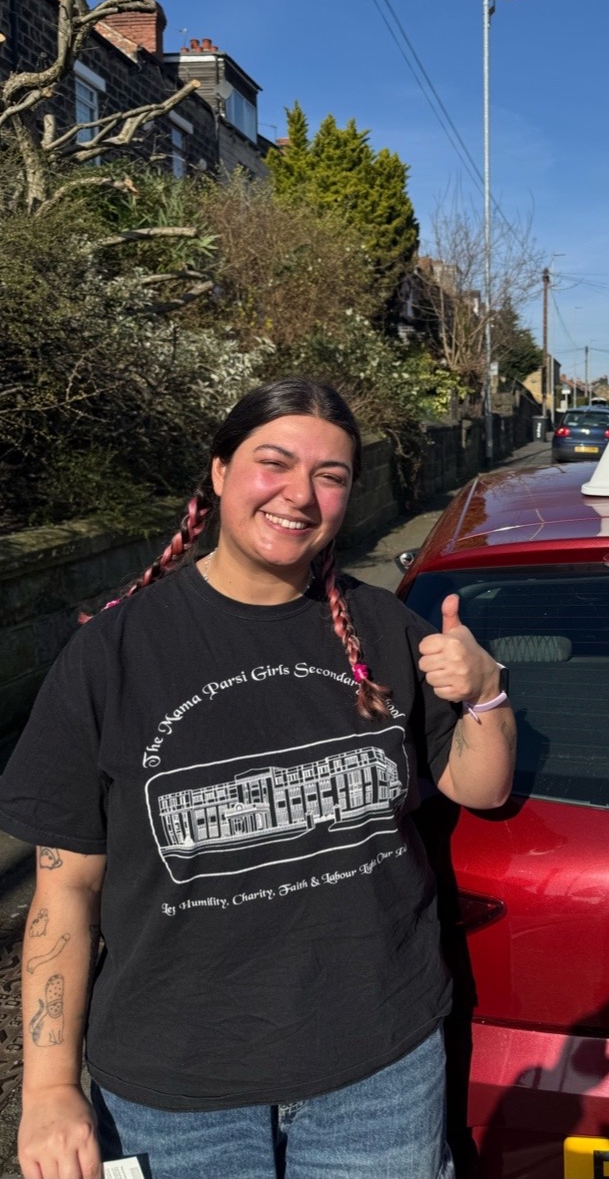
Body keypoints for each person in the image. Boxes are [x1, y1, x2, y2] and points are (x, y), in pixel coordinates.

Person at [0, 377, 516, 1179]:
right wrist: (48, 1089)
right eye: (273, 463)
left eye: (330, 476)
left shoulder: (384, 628)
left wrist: (485, 692)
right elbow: (65, 889)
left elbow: (479, 787)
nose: (299, 495)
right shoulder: (111, 657)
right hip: (174, 1092)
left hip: (378, 1068)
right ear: (218, 471)